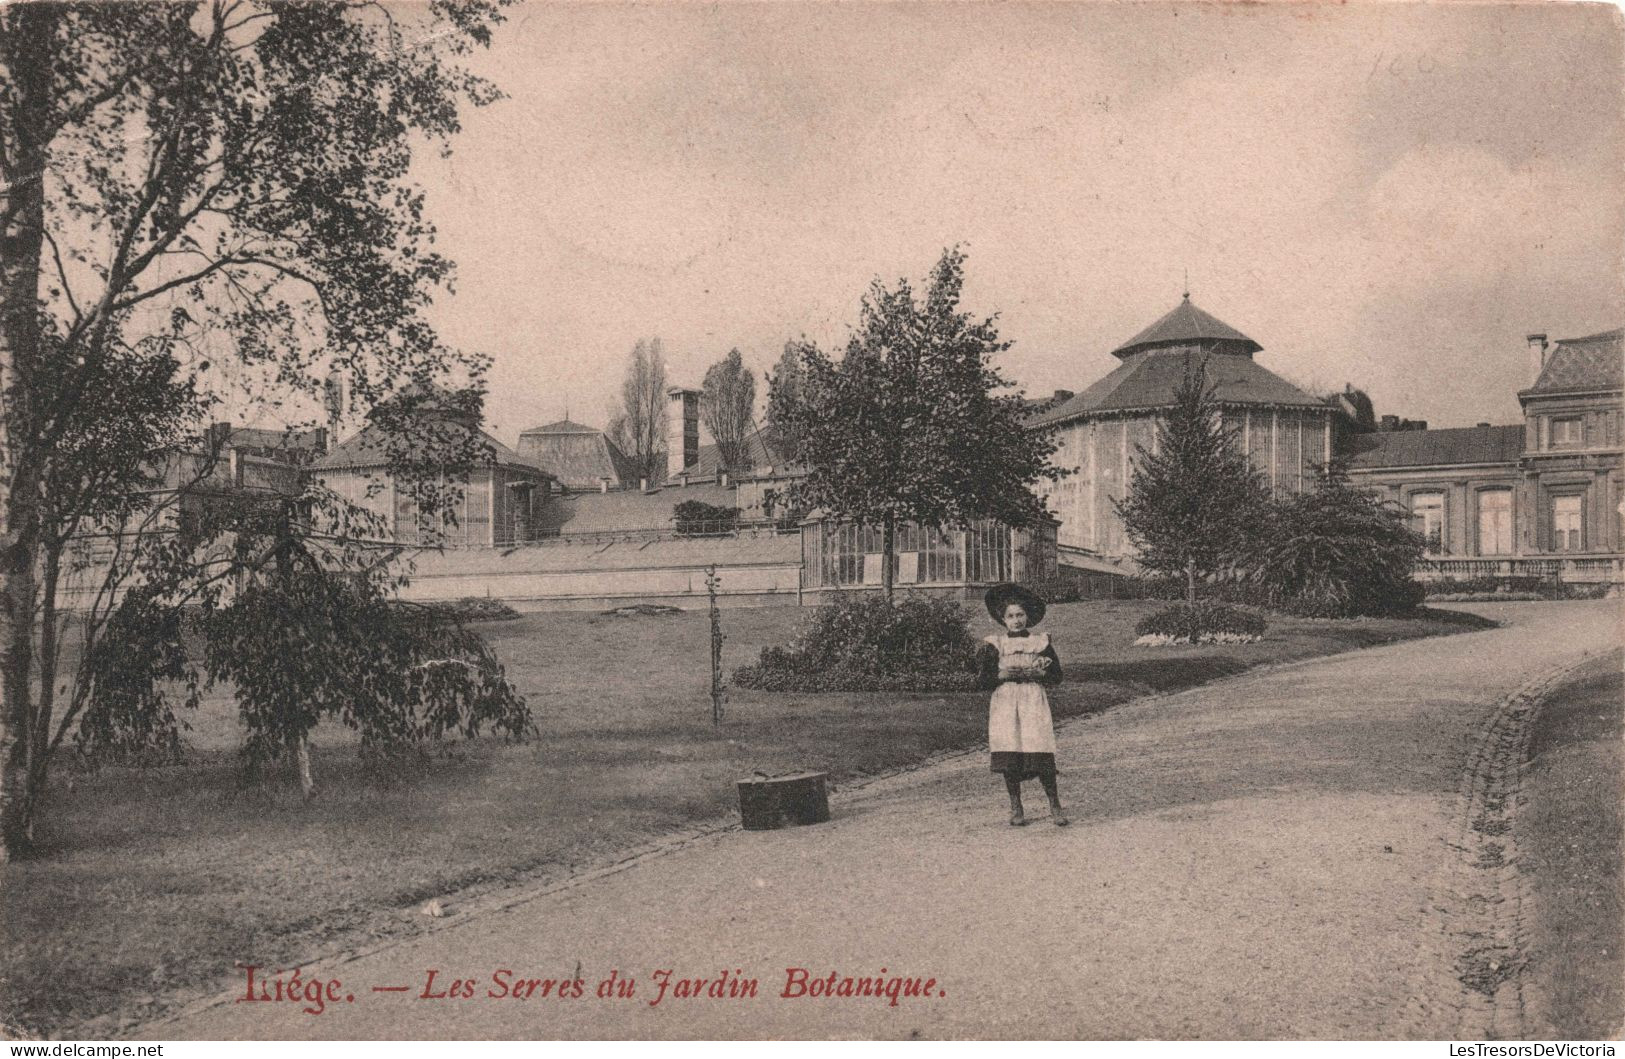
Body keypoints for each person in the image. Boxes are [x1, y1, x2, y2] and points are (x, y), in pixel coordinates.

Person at [977, 583, 1067, 827]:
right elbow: (983, 680)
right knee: (1010, 750)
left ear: (1028, 617)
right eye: (1010, 616)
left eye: (1020, 615)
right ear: (1002, 619)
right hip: (1005, 702)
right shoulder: (996, 644)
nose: (1016, 621)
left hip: (1032, 701)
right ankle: (1016, 806)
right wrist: (1003, 676)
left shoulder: (1040, 643)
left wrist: (1038, 674)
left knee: (1039, 748)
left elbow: (1056, 675)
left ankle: (1054, 804)